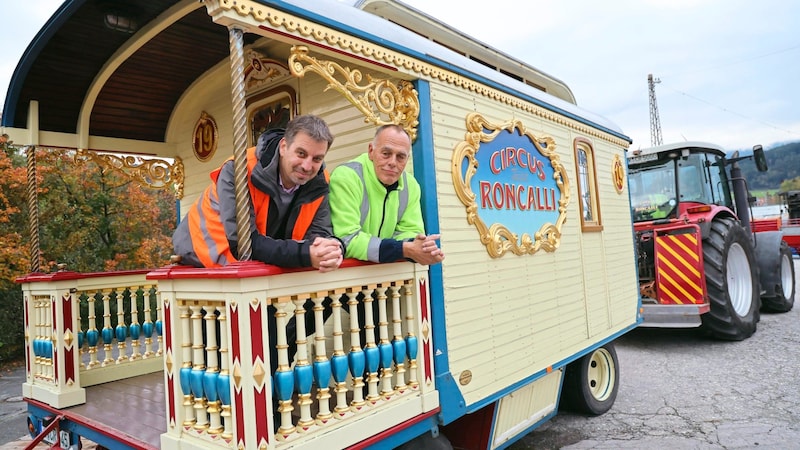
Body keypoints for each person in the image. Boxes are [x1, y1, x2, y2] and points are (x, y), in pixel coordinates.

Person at [172, 114, 343, 271]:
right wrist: (304, 254)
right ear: (283, 147)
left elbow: (320, 234)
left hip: (251, 263)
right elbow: (244, 244)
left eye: (317, 159)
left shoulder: (320, 180)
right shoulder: (237, 170)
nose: (307, 166)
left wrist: (333, 250)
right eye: (301, 153)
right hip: (201, 256)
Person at [329, 124, 443, 265]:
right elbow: (347, 239)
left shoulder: (411, 185)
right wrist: (404, 249)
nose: (392, 163)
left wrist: (420, 246)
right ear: (371, 151)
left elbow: (409, 230)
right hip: (346, 277)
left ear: (407, 159)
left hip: (385, 278)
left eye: (400, 156)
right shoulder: (347, 177)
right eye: (386, 154)